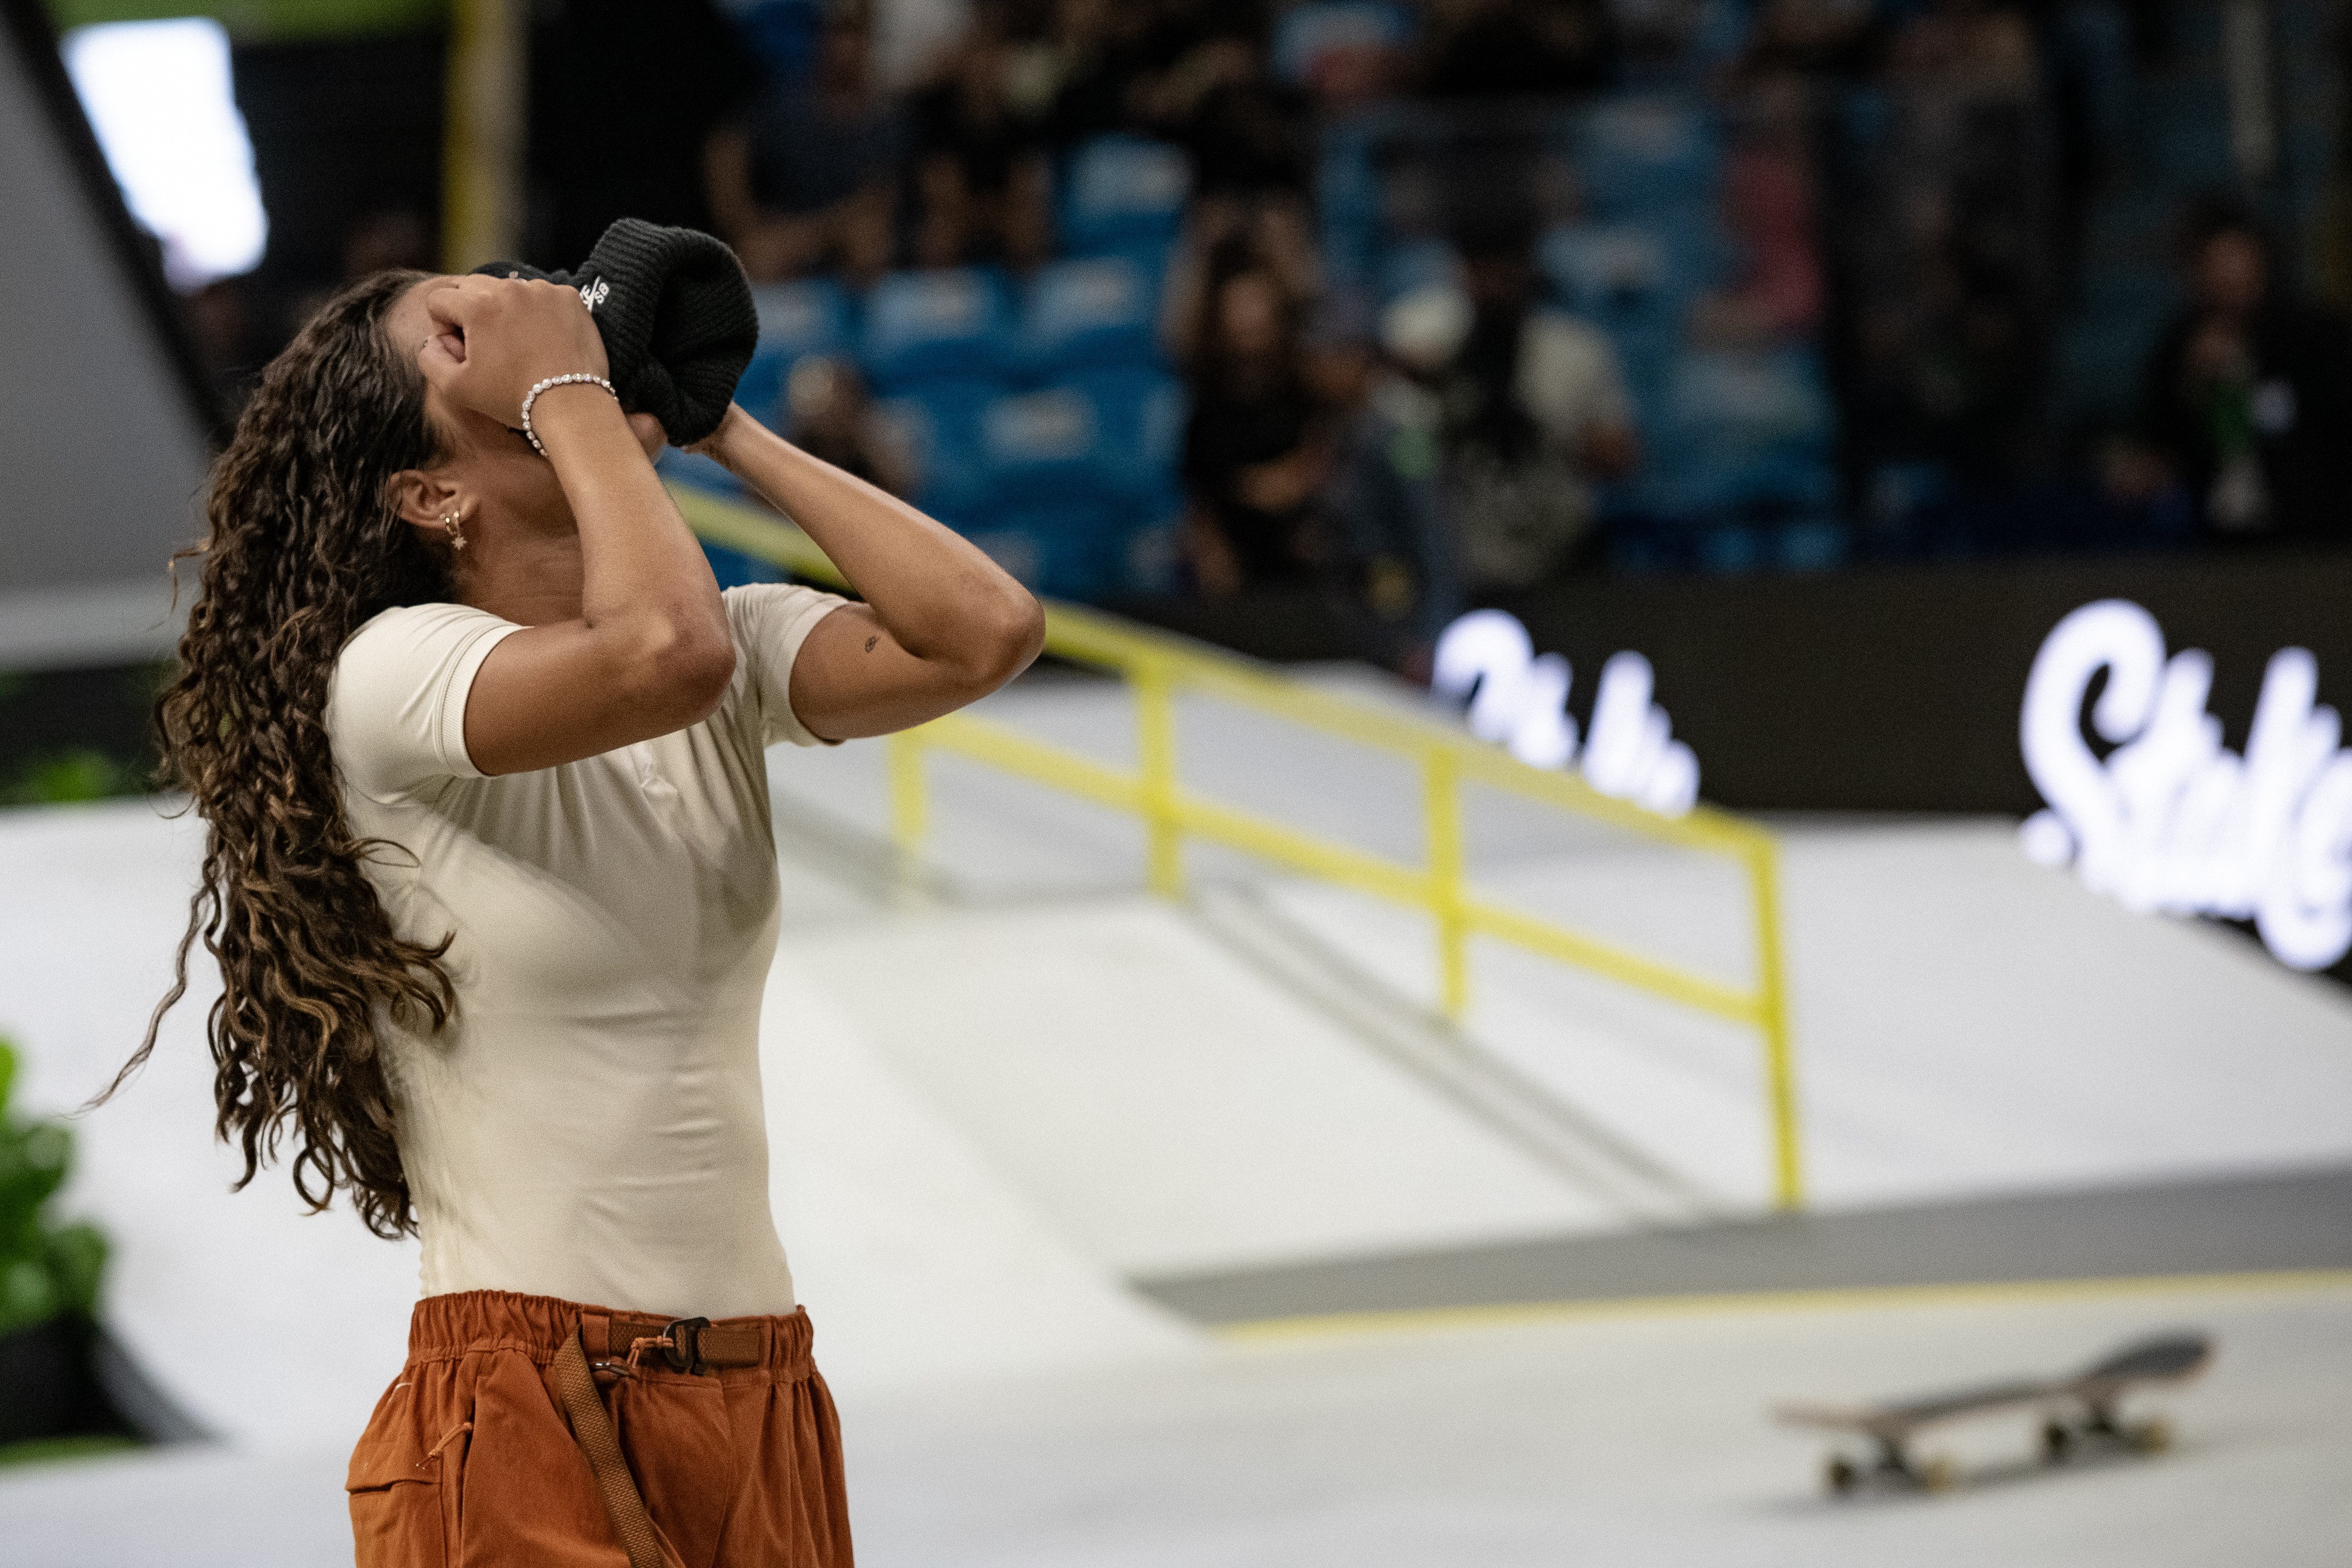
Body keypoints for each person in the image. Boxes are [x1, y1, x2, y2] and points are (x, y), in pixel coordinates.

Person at [112, 269, 1043, 1564]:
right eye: (459, 333)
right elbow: (661, 654)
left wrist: (721, 426)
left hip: (755, 1382)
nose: (521, 310)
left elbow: (985, 631)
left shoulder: (720, 652)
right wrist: (563, 386)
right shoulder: (391, 674)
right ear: (430, 495)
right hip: (532, 1389)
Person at [2130, 200, 2352, 542]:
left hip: (2313, 535)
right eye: (2216, 263)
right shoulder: (2181, 345)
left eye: (2238, 259)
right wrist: (2192, 386)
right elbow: (2163, 446)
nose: (2230, 275)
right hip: (2218, 537)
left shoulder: (2314, 338)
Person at [1435, 218, 1639, 590]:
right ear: (1461, 273)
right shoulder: (1433, 349)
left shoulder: (1574, 350)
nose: (1494, 286)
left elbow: (1622, 459)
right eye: (1481, 272)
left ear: (1527, 272)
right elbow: (1404, 459)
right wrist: (1447, 427)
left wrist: (1545, 431)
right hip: (1463, 564)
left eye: (1505, 272)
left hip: (1560, 554)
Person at [706, 2, 906, 286]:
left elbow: (875, 206)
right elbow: (725, 150)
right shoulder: (784, 107)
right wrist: (744, 223)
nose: (845, 48)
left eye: (856, 35)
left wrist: (824, 234)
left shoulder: (889, 122)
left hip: (849, 247)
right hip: (788, 234)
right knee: (757, 254)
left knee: (867, 245)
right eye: (837, 34)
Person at [1179, 255, 1324, 591]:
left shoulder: (1307, 393)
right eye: (1238, 306)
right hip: (1237, 578)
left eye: (1256, 304)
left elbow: (1314, 472)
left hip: (1310, 569)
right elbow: (1201, 504)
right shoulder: (1205, 411)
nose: (1248, 319)